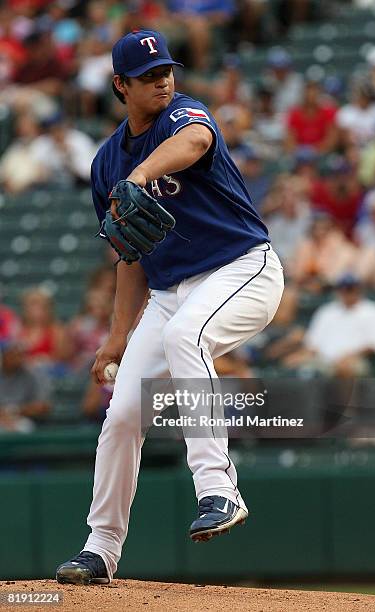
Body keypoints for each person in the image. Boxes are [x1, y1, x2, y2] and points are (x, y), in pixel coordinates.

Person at [56, 29, 284, 585]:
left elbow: (197, 142)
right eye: (147, 76)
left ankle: (219, 490)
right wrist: (116, 337)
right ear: (120, 85)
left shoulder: (182, 115)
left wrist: (139, 177)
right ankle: (101, 549)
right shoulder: (106, 163)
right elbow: (129, 254)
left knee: (188, 335)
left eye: (166, 71)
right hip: (167, 291)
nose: (161, 80)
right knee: (123, 416)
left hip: (242, 268)